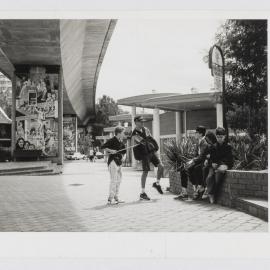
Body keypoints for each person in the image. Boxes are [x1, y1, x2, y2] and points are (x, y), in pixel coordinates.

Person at [131, 116, 164, 201]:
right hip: (144, 154)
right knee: (145, 172)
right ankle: (142, 193)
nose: (142, 123)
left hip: (151, 151)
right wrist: (143, 140)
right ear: (136, 122)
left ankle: (157, 183)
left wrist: (155, 150)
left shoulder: (146, 129)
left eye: (143, 121)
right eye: (140, 121)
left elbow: (151, 139)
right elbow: (141, 141)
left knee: (161, 166)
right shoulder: (134, 133)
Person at [205, 127, 233, 204]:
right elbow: (211, 159)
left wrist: (223, 165)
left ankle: (213, 194)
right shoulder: (213, 147)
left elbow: (230, 160)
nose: (219, 139)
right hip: (214, 166)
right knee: (210, 177)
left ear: (225, 136)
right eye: (218, 137)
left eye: (221, 137)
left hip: (223, 165)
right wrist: (212, 164)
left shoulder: (228, 147)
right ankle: (211, 194)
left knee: (218, 176)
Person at [101, 126, 126, 204]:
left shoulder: (121, 142)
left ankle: (116, 197)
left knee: (119, 180)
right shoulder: (112, 140)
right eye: (123, 133)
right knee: (113, 180)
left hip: (119, 163)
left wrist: (123, 157)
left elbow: (124, 152)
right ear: (118, 133)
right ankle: (110, 198)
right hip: (113, 162)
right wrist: (111, 150)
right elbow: (103, 147)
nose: (124, 134)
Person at [184, 126, 208, 200]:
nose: (195, 134)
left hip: (204, 162)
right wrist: (191, 161)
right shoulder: (198, 141)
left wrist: (193, 161)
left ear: (200, 134)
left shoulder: (204, 143)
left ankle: (200, 187)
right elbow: (195, 154)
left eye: (196, 133)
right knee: (188, 169)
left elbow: (202, 156)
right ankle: (195, 188)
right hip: (198, 161)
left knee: (196, 169)